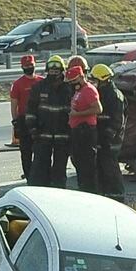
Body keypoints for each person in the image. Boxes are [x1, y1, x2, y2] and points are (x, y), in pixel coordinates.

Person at [26, 55, 73, 188]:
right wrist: (33, 129)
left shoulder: (68, 88)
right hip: (42, 134)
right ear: (47, 70)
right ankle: (39, 194)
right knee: (39, 168)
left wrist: (71, 132)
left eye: (56, 70)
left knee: (60, 170)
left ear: (62, 71)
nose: (53, 73)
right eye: (51, 70)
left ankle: (58, 194)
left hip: (62, 136)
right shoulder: (39, 87)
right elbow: (30, 111)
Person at [89, 63, 127, 202]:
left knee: (110, 169)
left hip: (111, 141)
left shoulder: (115, 96)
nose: (93, 83)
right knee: (100, 169)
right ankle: (104, 197)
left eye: (95, 80)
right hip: (101, 138)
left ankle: (117, 197)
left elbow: (117, 121)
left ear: (103, 81)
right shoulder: (100, 93)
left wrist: (108, 137)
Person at [65, 65, 102, 193]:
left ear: (81, 77)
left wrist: (77, 114)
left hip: (85, 131)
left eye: (74, 80)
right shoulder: (78, 91)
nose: (72, 84)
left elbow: (98, 109)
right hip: (76, 130)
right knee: (78, 161)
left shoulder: (89, 90)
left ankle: (90, 190)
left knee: (87, 164)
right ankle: (83, 188)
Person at [9, 54, 43, 180]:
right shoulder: (18, 84)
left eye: (31, 65)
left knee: (41, 149)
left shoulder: (41, 81)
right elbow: (14, 105)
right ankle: (29, 176)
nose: (29, 67)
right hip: (24, 119)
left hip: (40, 118)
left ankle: (40, 174)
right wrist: (15, 121)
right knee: (26, 151)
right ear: (22, 67)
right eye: (26, 66)